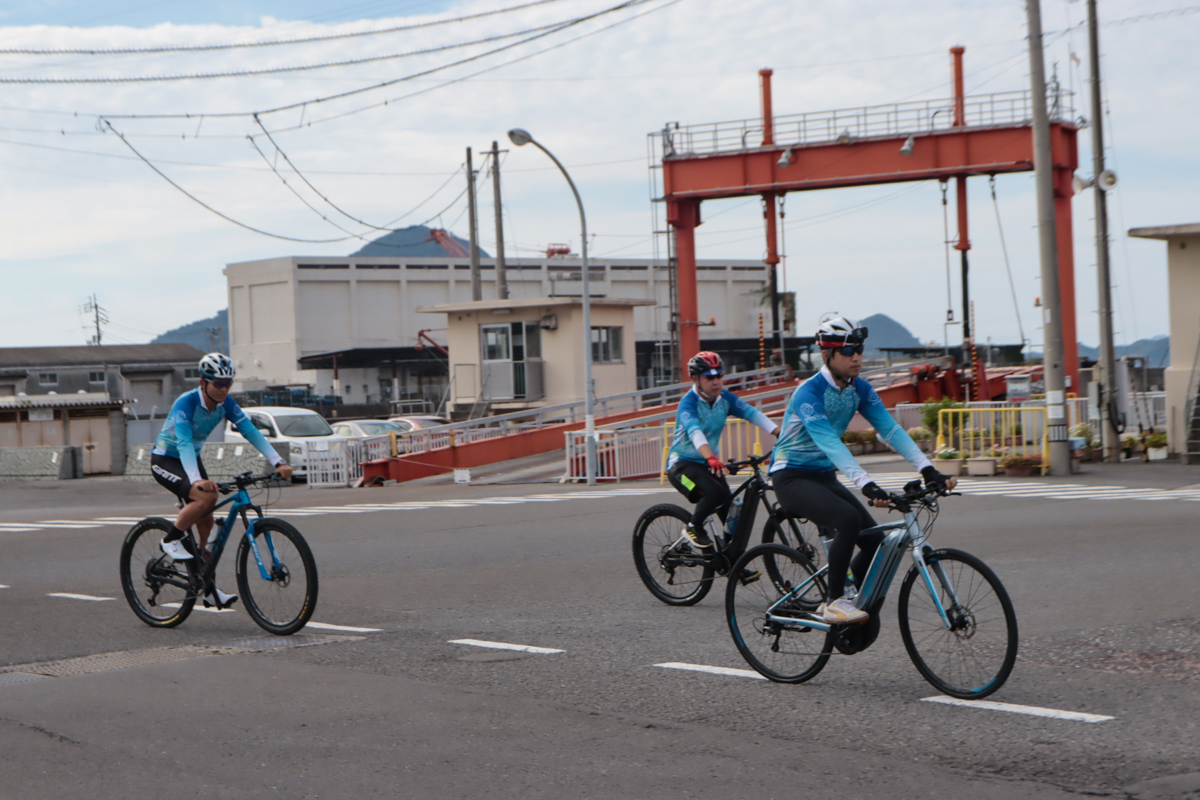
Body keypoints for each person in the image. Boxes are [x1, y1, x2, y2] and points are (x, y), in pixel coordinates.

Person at [769, 316, 956, 624]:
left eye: (859, 348)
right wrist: (866, 483)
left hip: (823, 476)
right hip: (791, 476)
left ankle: (845, 588)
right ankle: (833, 601)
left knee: (873, 541)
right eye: (848, 351)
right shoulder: (809, 393)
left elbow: (891, 430)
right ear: (828, 354)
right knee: (847, 519)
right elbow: (830, 443)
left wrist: (928, 469)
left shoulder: (860, 389)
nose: (857, 356)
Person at [150, 353, 293, 609]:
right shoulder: (187, 403)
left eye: (229, 383)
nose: (224, 388)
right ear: (203, 382)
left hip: (191, 458)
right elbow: (182, 442)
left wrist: (278, 461)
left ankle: (205, 583)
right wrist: (196, 481)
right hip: (166, 460)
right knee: (205, 495)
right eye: (218, 383)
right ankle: (170, 539)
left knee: (207, 518)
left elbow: (250, 431)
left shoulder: (227, 404)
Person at [666, 351, 779, 558]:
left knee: (732, 513)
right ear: (695, 379)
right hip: (681, 467)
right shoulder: (688, 403)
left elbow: (752, 414)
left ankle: (731, 560)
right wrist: (710, 456)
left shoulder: (725, 399)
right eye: (710, 378)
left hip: (709, 465)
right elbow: (695, 431)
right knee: (713, 492)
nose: (716, 382)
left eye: (719, 376)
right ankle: (693, 526)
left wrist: (779, 432)